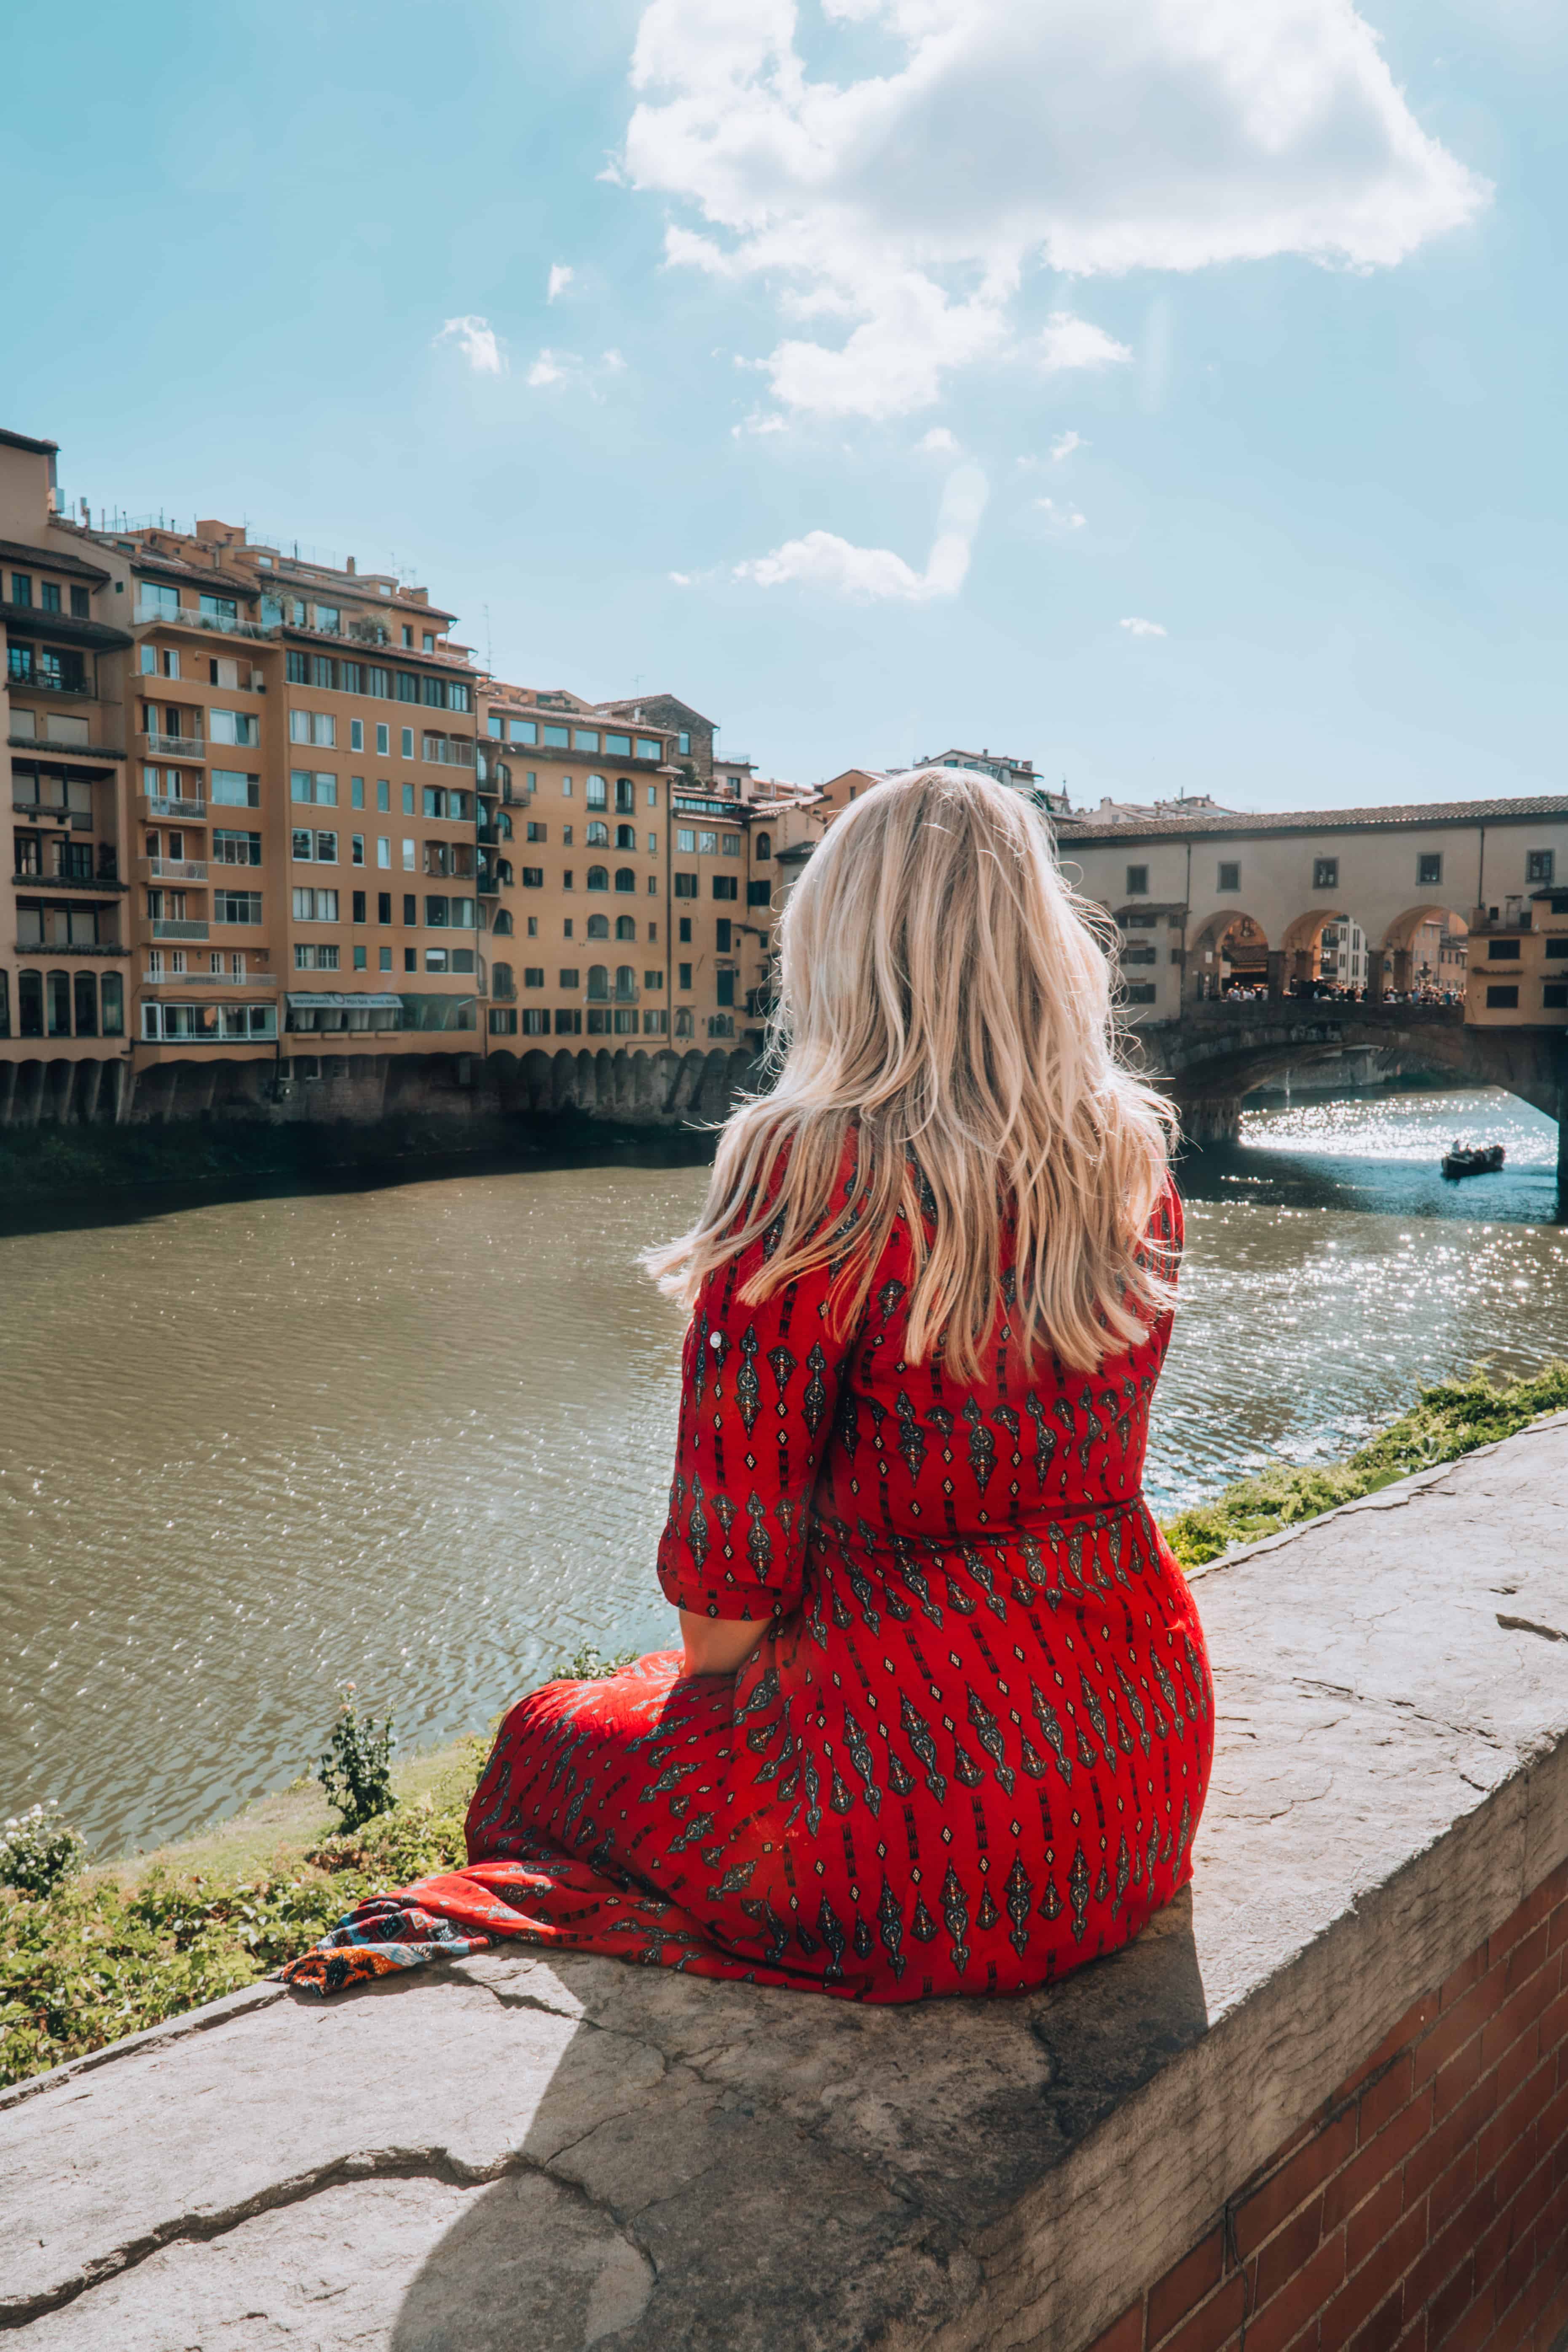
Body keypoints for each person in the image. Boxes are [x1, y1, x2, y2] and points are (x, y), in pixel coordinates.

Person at [282, 770, 1214, 2004]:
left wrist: (715, 1717)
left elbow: (728, 1590)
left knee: (545, 1739)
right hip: (1125, 1777)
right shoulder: (1127, 1155)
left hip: (903, 1835)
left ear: (833, 944)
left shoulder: (808, 1159)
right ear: (1047, 946)